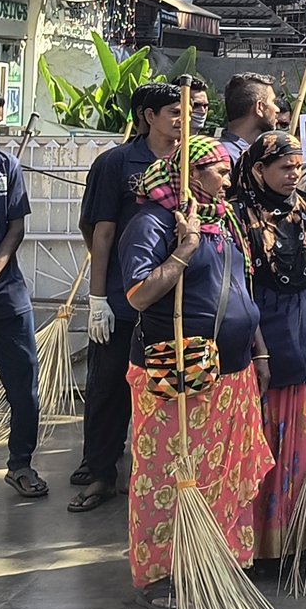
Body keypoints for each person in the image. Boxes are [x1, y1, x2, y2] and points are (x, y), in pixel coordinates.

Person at [118, 137, 267, 609]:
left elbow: (240, 290)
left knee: (223, 472)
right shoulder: (152, 223)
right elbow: (139, 295)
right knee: (169, 475)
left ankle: (216, 561)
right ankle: (162, 573)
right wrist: (183, 250)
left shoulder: (224, 221)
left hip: (234, 371)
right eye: (218, 171)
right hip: (178, 371)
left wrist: (258, 352)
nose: (227, 180)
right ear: (190, 175)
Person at [70, 81, 185, 514]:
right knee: (109, 386)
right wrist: (98, 296)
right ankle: (100, 471)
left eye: (186, 111)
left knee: (167, 388)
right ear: (148, 116)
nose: (181, 120)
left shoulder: (188, 164)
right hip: (122, 296)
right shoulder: (118, 163)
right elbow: (98, 231)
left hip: (173, 298)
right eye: (173, 111)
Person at [232, 131, 306, 561]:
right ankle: (257, 541)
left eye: (297, 166)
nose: (294, 174)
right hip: (265, 328)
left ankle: (293, 537)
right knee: (263, 432)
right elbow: (240, 286)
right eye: (284, 167)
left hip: (305, 325)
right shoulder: (239, 217)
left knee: (299, 430)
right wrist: (259, 349)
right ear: (258, 170)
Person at [0, 85, 43, 499]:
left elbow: (16, 224)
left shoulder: (6, 166)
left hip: (6, 298)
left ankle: (21, 464)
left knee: (24, 387)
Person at [220, 73, 280, 161]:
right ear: (259, 107)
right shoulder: (221, 158)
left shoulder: (261, 153)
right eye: (273, 101)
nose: (277, 109)